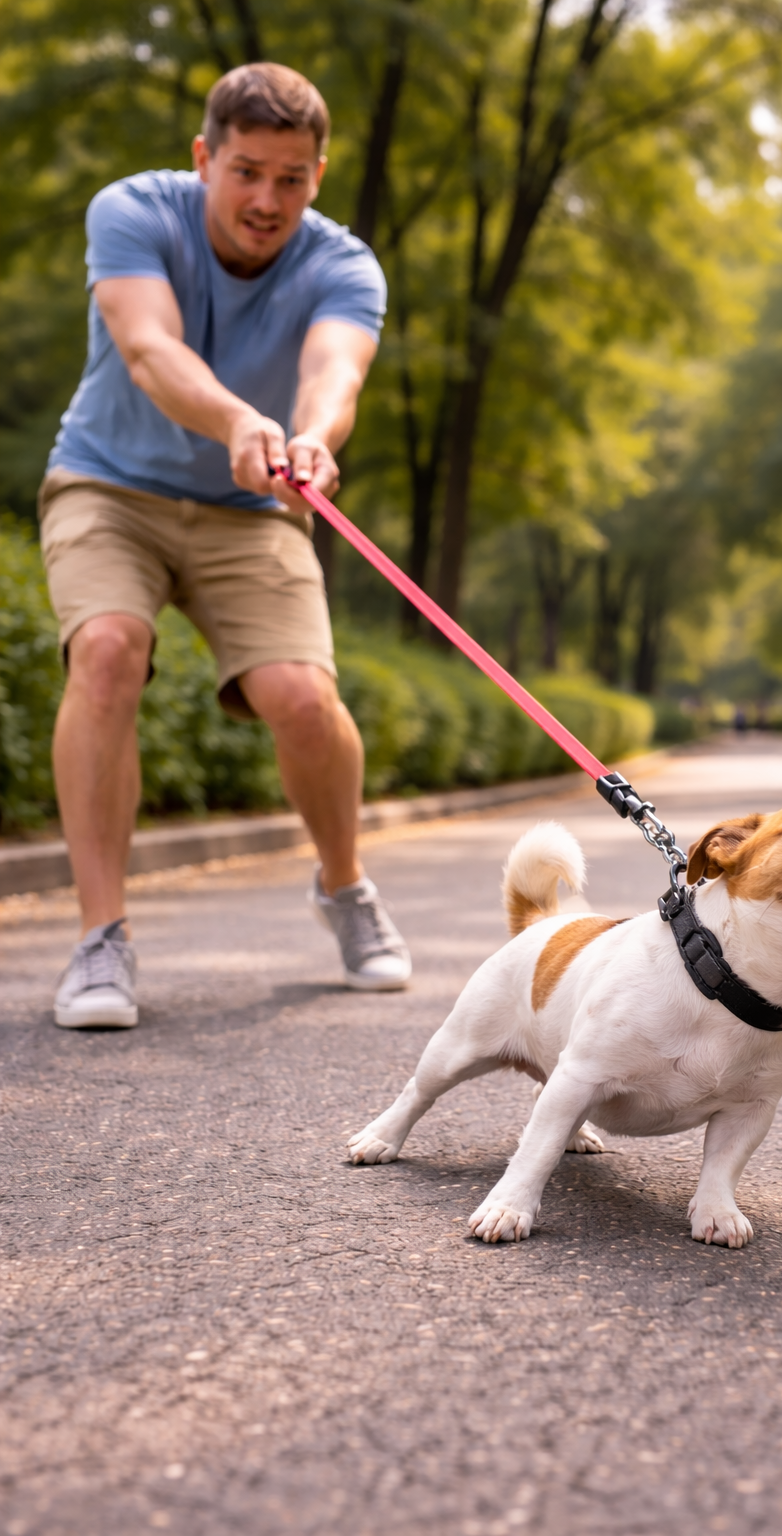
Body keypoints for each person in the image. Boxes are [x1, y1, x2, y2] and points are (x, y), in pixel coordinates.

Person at [41, 62, 411, 1029]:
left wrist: (309, 439)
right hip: (108, 483)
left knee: (302, 698)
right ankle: (99, 940)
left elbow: (337, 370)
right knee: (109, 649)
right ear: (204, 157)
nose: (266, 200)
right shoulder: (132, 212)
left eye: (291, 178)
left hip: (252, 510)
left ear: (318, 176)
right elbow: (148, 347)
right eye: (246, 171)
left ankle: (343, 885)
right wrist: (239, 420)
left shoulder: (343, 263)